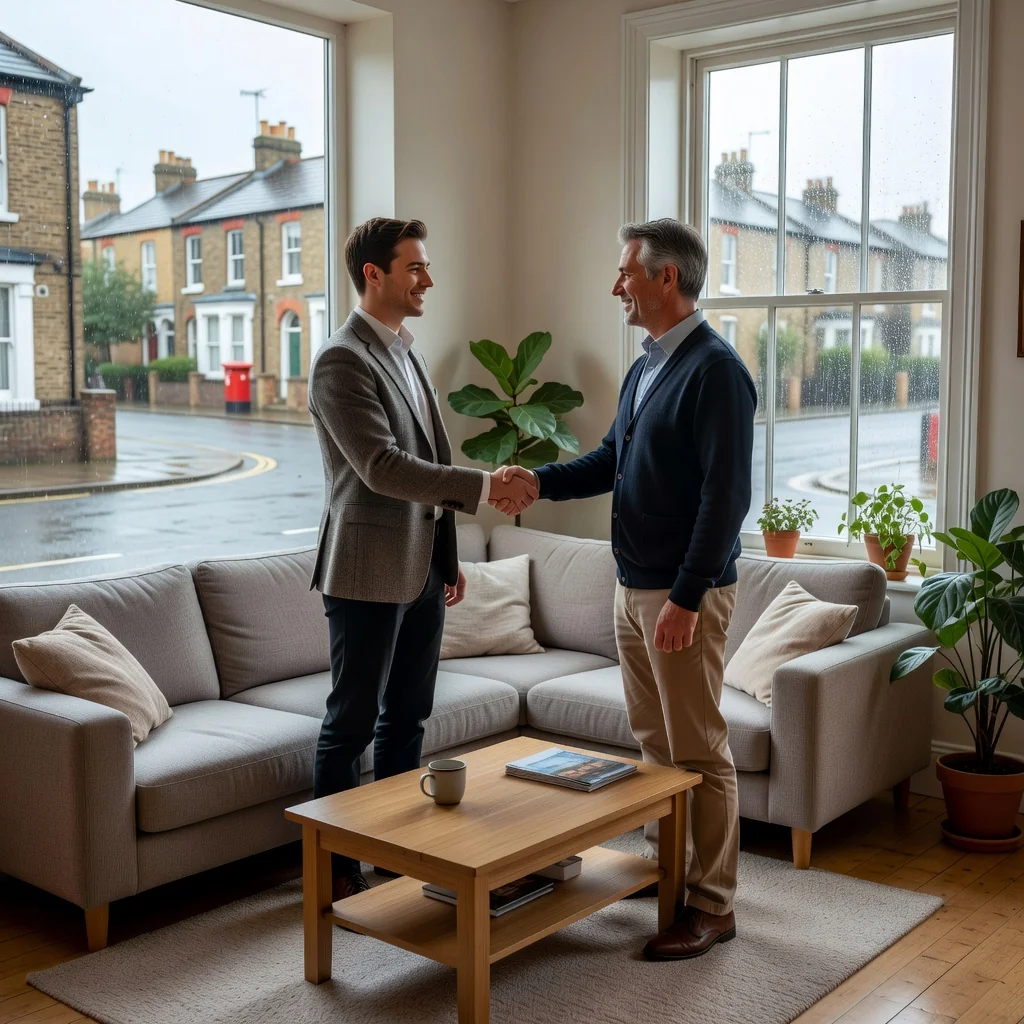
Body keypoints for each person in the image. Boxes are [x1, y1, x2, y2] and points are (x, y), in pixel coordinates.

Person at [498, 218, 756, 960]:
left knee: (699, 750)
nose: (616, 286)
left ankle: (712, 903)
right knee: (653, 744)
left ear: (665, 278)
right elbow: (612, 458)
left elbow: (725, 499)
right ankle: (668, 868)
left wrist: (685, 596)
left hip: (681, 597)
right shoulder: (647, 367)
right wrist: (538, 480)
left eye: (626, 273)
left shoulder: (716, 371)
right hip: (632, 586)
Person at [307, 217, 536, 900]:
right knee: (350, 724)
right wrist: (483, 485)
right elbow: (381, 467)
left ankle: (397, 852)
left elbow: (429, 458)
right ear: (373, 274)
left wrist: (448, 558)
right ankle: (337, 866)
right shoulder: (340, 360)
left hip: (421, 570)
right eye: (415, 268)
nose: (427, 280)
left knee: (407, 719)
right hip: (364, 571)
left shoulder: (406, 351)